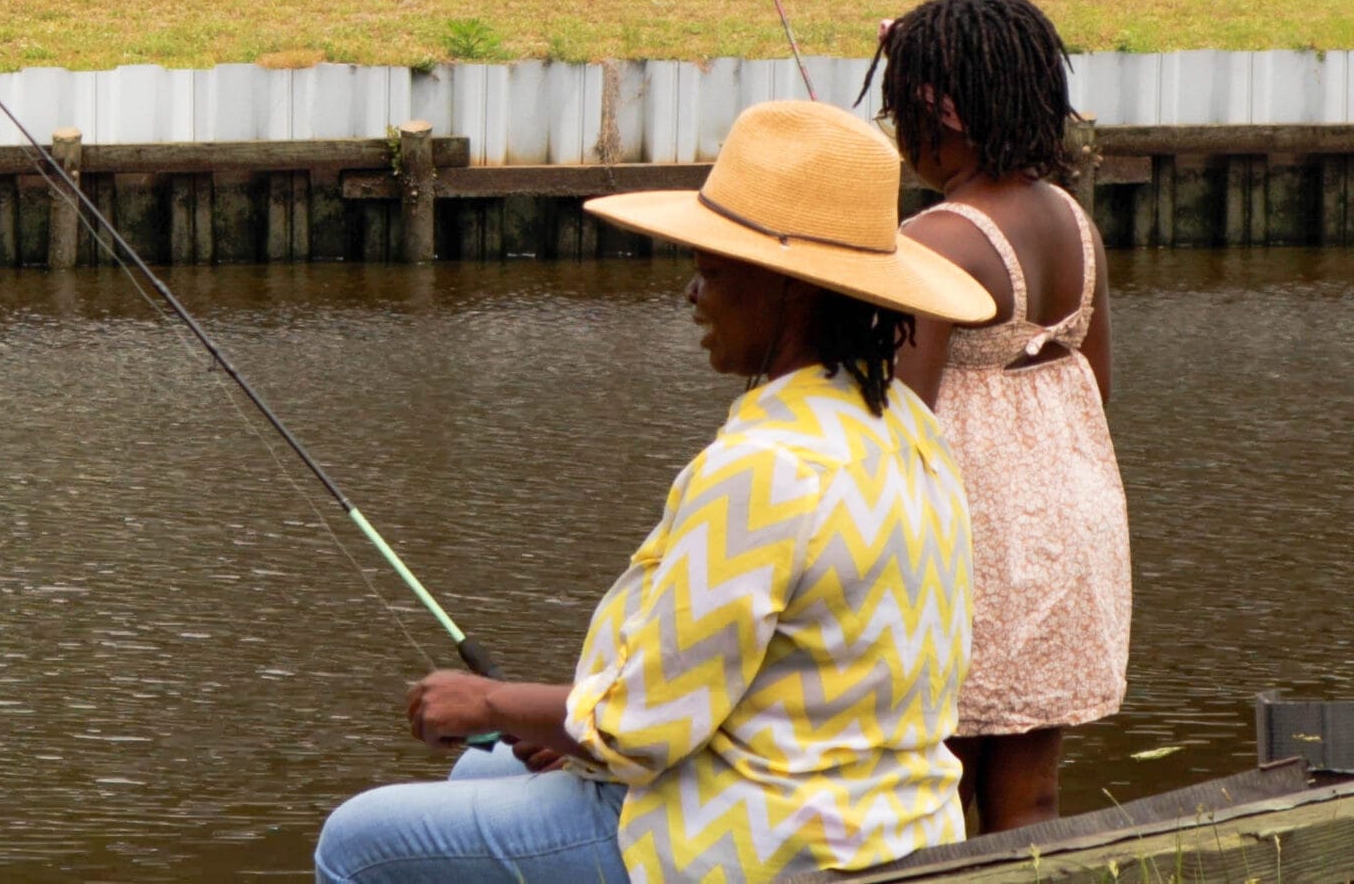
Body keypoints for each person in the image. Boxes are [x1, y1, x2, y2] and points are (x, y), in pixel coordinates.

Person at [315, 99, 994, 884]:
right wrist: (571, 720)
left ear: (788, 289)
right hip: (882, 811)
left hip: (755, 836)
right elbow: (739, 677)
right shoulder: (904, 425)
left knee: (355, 843)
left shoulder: (766, 466)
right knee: (480, 775)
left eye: (711, 271)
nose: (692, 295)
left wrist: (492, 705)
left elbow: (641, 731)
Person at [867, 0, 1130, 833]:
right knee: (1029, 793)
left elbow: (896, 410)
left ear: (937, 115)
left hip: (967, 537)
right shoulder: (1070, 219)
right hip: (1065, 527)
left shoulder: (941, 239)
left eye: (897, 105)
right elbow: (1094, 382)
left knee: (930, 782)